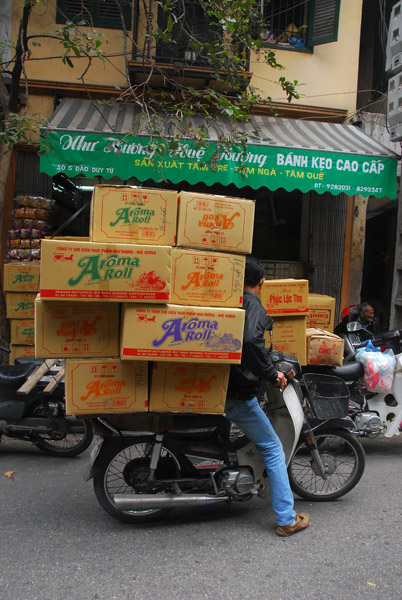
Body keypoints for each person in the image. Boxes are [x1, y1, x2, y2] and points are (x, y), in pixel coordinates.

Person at [224, 255, 310, 537]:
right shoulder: (253, 306)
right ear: (262, 282)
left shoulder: (229, 300)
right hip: (238, 393)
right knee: (273, 449)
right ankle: (286, 519)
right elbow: (250, 341)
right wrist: (271, 373)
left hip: (221, 385)